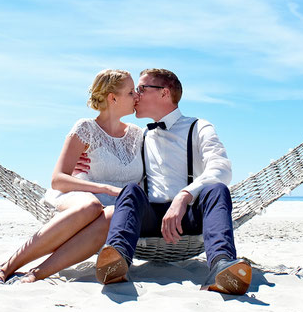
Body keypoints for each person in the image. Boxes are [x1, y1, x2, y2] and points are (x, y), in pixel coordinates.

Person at [95, 68, 252, 295]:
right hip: (149, 218)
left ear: (164, 93)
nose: (136, 96)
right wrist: (85, 163)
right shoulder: (139, 135)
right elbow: (115, 167)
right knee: (129, 190)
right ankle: (115, 261)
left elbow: (222, 168)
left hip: (190, 216)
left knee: (217, 189)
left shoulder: (199, 127)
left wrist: (184, 195)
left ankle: (221, 264)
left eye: (141, 89)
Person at [0, 69, 144, 283]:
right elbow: (58, 179)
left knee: (111, 215)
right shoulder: (86, 128)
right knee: (91, 206)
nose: (137, 96)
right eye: (131, 92)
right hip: (80, 194)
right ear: (112, 97)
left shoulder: (138, 134)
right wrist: (104, 189)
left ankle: (38, 272)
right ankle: (8, 266)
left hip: (117, 205)